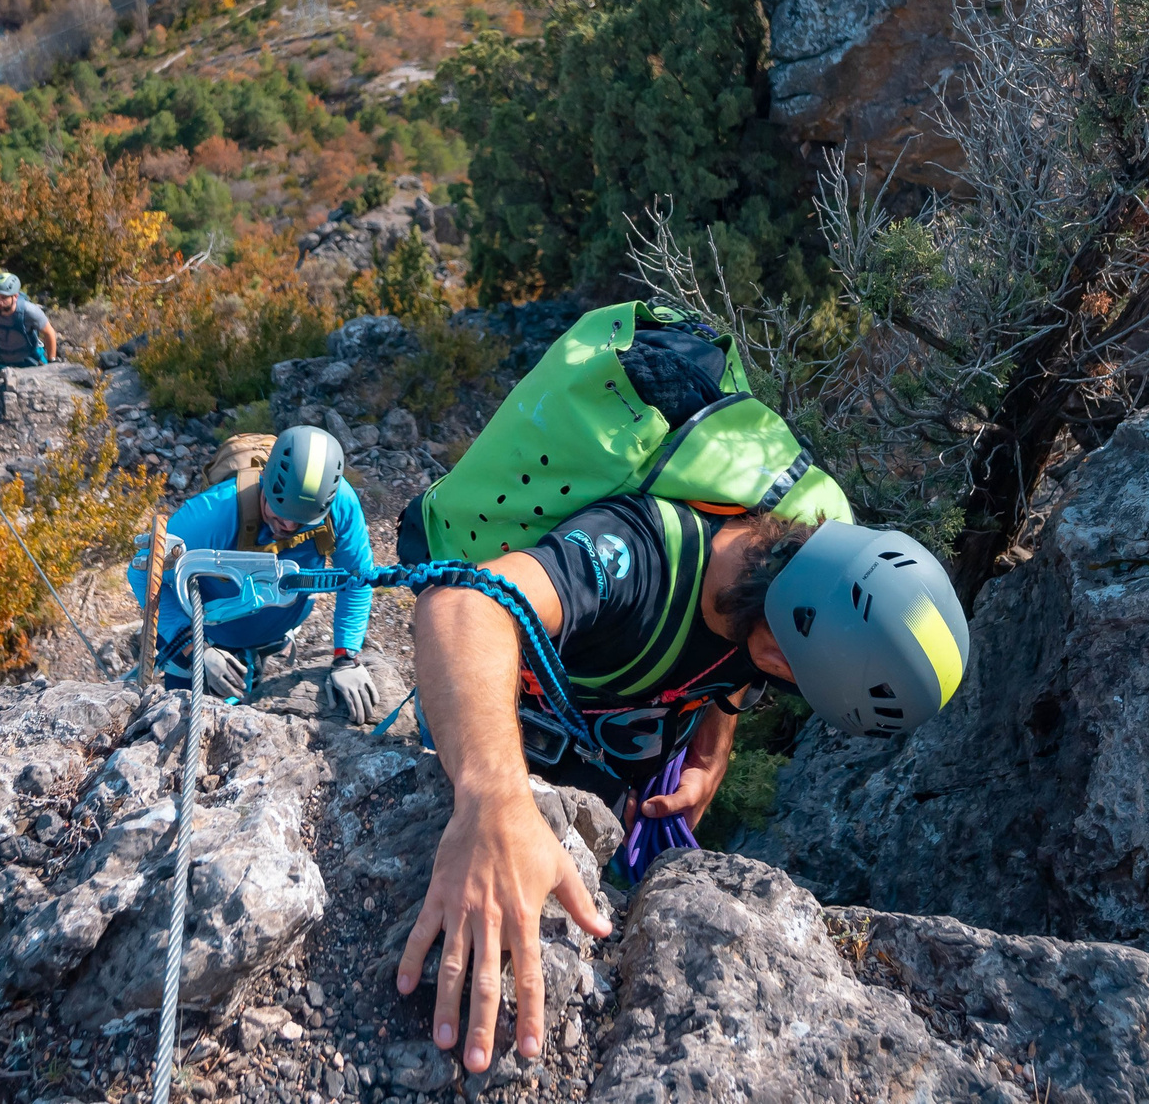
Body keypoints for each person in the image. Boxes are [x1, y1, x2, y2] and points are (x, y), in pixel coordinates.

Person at [398, 498, 967, 1074]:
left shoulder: (785, 598)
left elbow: (737, 671)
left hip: (608, 768)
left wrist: (711, 752)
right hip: (492, 730)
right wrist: (493, 802)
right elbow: (463, 603)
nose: (781, 674)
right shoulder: (634, 554)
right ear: (790, 633)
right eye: (792, 664)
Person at [131, 425, 383, 724]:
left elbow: (356, 579)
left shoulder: (340, 504)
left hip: (272, 636)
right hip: (206, 644)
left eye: (301, 522)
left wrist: (346, 656)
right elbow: (143, 574)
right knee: (183, 727)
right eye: (277, 513)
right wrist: (195, 648)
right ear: (265, 480)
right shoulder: (213, 515)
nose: (287, 527)